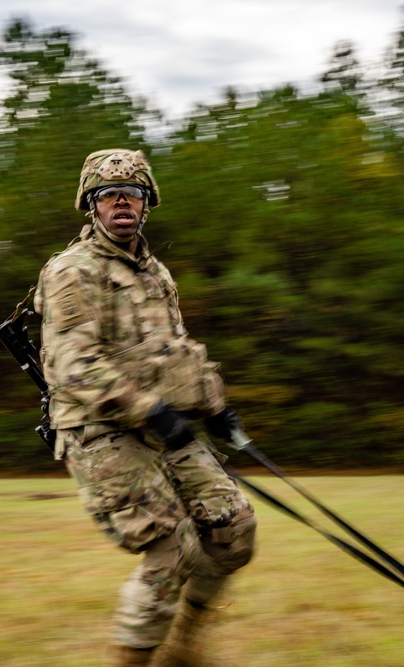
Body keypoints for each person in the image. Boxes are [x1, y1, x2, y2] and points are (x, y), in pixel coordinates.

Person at [33, 149, 257, 666]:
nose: (120, 203)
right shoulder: (73, 271)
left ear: (147, 203)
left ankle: (185, 651)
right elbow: (72, 364)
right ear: (91, 207)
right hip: (99, 430)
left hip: (165, 426)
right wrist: (150, 410)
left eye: (131, 194)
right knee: (172, 548)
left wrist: (216, 407)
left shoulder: (156, 273)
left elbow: (175, 351)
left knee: (234, 531)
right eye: (106, 195)